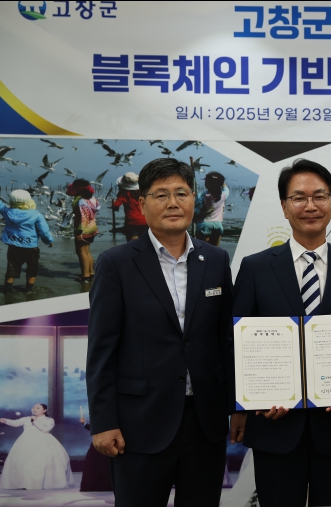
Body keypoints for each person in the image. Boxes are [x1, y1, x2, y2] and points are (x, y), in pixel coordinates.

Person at [86, 158, 245, 506]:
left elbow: (226, 340)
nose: (173, 203)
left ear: (193, 199)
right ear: (143, 203)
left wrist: (239, 406)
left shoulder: (216, 260)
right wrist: (103, 422)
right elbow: (101, 350)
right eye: (161, 195)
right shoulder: (116, 263)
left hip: (205, 422)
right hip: (139, 424)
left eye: (181, 193)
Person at [233, 159, 331, 507]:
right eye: (299, 198)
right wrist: (251, 402)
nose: (310, 206)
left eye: (319, 196)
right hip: (273, 427)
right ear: (284, 207)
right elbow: (236, 343)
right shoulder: (255, 268)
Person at [0, 403, 75, 489]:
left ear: (44, 410)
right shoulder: (27, 419)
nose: (34, 409)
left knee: (42, 461)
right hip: (26, 442)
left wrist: (35, 421)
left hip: (43, 442)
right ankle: (23, 483)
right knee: (23, 462)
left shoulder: (49, 420)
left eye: (38, 408)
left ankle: (41, 483)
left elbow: (45, 429)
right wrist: (5, 420)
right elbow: (16, 423)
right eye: (33, 408)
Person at [0, 189, 54, 293]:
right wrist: (49, 241)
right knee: (32, 268)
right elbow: (44, 231)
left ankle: (8, 288)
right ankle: (29, 289)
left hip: (14, 246)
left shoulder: (6, 211)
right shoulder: (36, 214)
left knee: (12, 267)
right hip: (31, 247)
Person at [66, 179, 101, 282]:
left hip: (83, 229)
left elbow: (82, 218)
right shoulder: (93, 199)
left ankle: (85, 275)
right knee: (87, 251)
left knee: (81, 252)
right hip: (92, 228)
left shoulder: (80, 202)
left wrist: (79, 232)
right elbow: (98, 208)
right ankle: (91, 272)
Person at [194, 171, 229, 246]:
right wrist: (220, 181)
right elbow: (226, 188)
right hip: (218, 225)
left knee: (202, 249)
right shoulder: (223, 195)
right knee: (215, 250)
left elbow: (196, 211)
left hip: (204, 225)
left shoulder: (202, 195)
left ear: (207, 184)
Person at [112, 171, 148, 241]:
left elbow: (116, 204)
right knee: (144, 244)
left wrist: (115, 207)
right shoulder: (144, 193)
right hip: (145, 221)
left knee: (133, 245)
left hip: (132, 222)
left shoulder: (124, 194)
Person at [78, 416, 112, 492]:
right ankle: (94, 486)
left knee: (105, 465)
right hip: (97, 445)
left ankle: (107, 486)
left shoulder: (110, 418)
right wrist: (85, 424)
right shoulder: (98, 418)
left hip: (107, 444)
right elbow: (95, 429)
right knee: (93, 464)